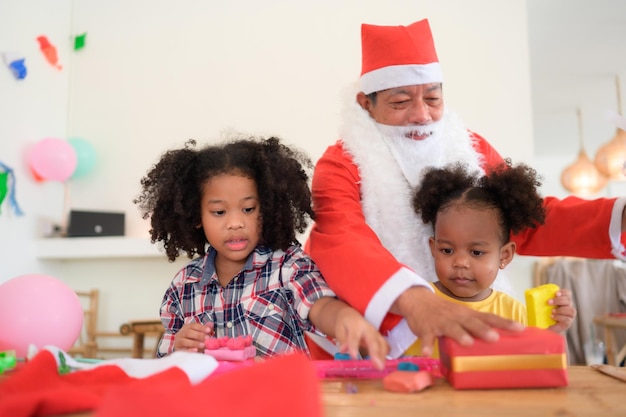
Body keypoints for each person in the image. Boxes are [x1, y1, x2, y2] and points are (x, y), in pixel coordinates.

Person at [305, 18, 626, 359]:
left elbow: (521, 217)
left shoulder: (471, 148)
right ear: (365, 103)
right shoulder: (341, 163)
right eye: (400, 102)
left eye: (432, 98)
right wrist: (415, 301)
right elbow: (343, 239)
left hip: (465, 335)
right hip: (373, 345)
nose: (422, 115)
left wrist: (617, 217)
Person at [134, 136, 389, 367]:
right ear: (196, 216)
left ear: (266, 208)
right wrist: (179, 348)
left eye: (248, 209)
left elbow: (320, 306)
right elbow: (165, 363)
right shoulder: (183, 285)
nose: (235, 223)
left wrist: (345, 319)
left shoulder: (288, 265)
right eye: (219, 212)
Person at [403, 160, 576, 356]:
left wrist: (555, 332)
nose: (460, 262)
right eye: (447, 250)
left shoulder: (516, 314)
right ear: (433, 248)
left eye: (476, 252)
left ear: (505, 255)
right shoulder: (420, 305)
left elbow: (547, 368)